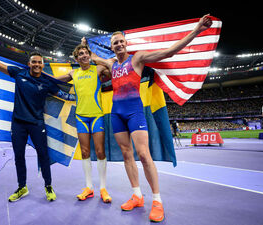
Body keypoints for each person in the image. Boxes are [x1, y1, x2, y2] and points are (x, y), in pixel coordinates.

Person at [88, 14, 213, 222]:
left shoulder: (136, 59)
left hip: (135, 111)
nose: (118, 44)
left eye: (121, 41)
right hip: (116, 114)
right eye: (115, 43)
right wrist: (85, 45)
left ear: (126, 44)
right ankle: (137, 195)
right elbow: (93, 58)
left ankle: (157, 200)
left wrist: (197, 30)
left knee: (144, 155)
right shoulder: (112, 65)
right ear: (112, 47)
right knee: (127, 155)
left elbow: (169, 52)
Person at [0, 41, 75, 202]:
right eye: (34, 62)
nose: (36, 64)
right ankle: (22, 187)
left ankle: (48, 186)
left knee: (43, 156)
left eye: (39, 62)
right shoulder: (19, 73)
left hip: (37, 124)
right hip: (18, 124)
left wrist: (83, 94)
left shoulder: (48, 83)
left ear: (43, 65)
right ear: (29, 64)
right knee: (19, 156)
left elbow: (65, 96)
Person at [56, 43, 113, 203]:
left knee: (100, 152)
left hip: (97, 116)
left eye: (85, 53)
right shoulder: (74, 73)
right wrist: (39, 77)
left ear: (89, 55)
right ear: (76, 58)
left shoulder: (98, 69)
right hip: (81, 117)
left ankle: (103, 188)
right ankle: (89, 187)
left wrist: (93, 52)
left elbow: (113, 67)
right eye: (80, 54)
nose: (83, 56)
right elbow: (54, 80)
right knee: (85, 152)